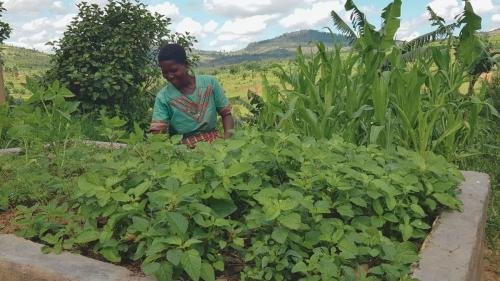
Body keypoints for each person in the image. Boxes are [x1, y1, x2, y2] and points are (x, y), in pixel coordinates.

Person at [149, 43, 234, 147]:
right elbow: (158, 132)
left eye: (174, 70)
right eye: (165, 72)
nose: (169, 76)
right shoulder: (163, 97)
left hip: (215, 144)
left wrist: (227, 144)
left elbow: (226, 114)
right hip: (183, 149)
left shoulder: (210, 83)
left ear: (186, 64)